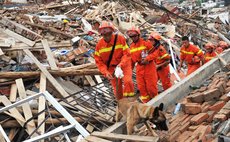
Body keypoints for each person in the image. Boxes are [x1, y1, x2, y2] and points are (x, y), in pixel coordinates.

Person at [94, 21, 134, 100]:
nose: (107, 36)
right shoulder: (99, 45)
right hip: (111, 68)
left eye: (108, 34)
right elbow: (99, 62)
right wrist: (105, 72)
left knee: (128, 82)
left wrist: (121, 64)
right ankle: (120, 103)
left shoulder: (120, 39)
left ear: (112, 32)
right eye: (104, 35)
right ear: (101, 34)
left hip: (124, 64)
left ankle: (129, 101)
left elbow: (127, 54)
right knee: (117, 88)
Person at [127, 26, 158, 103]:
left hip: (149, 67)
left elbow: (155, 53)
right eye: (131, 37)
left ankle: (156, 104)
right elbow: (131, 61)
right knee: (142, 88)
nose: (133, 38)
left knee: (151, 88)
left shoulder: (146, 43)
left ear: (138, 35)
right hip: (139, 68)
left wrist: (147, 59)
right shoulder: (131, 47)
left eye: (134, 36)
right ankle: (147, 105)